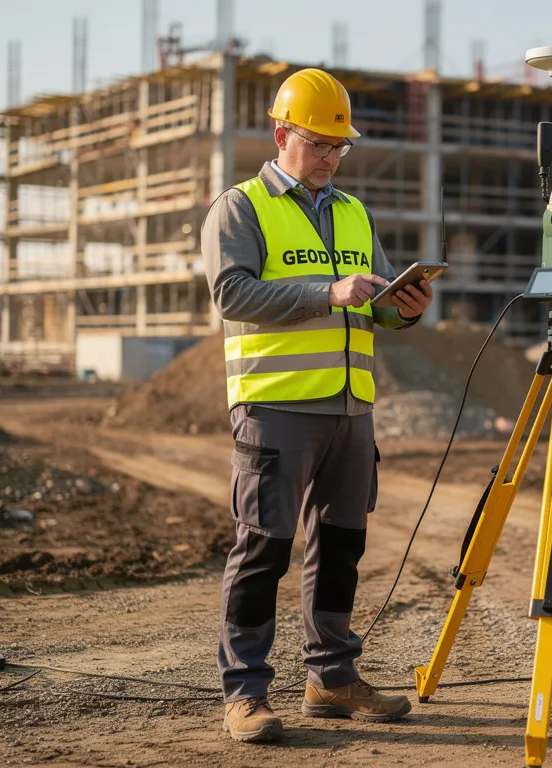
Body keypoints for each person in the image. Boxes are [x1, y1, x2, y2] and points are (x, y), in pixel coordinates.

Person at [201, 67, 435, 743]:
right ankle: (245, 693)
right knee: (263, 549)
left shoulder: (355, 213)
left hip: (350, 409)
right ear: (282, 135)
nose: (333, 155)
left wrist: (403, 309)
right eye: (320, 142)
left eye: (341, 146)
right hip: (275, 407)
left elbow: (377, 308)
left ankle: (331, 677)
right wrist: (326, 292)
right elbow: (233, 296)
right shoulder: (240, 208)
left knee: (340, 547)